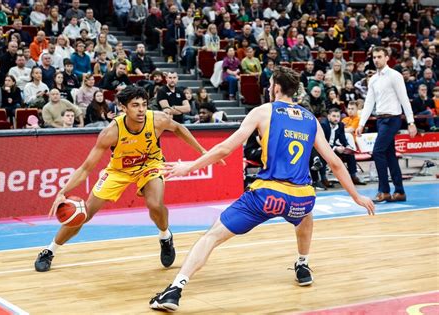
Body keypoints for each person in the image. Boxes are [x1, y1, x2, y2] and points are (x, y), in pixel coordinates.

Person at [149, 66, 375, 311]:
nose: (268, 88)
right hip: (301, 199)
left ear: (276, 88)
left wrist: (190, 166)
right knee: (306, 212)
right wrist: (357, 196)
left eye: (269, 85)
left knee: (212, 236)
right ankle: (302, 263)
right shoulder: (311, 119)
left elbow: (225, 149)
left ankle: (175, 290)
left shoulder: (263, 112)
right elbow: (335, 163)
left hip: (267, 195)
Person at [34, 86, 209, 272]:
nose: (141, 109)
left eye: (144, 105)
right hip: (119, 171)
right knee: (84, 213)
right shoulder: (111, 132)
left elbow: (179, 128)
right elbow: (85, 168)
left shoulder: (157, 119)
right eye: (135, 105)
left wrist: (203, 152)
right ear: (124, 108)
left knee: (155, 204)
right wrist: (63, 191)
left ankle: (165, 236)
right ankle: (50, 250)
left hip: (150, 164)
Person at [356, 47, 417, 203]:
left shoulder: (395, 76)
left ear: (386, 58)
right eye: (374, 57)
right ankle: (400, 191)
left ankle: (384, 191)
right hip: (380, 120)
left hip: (393, 119)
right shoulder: (374, 79)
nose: (376, 59)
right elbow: (369, 102)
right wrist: (361, 123)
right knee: (389, 156)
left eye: (379, 56)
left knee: (377, 152)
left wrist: (411, 122)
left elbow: (404, 99)